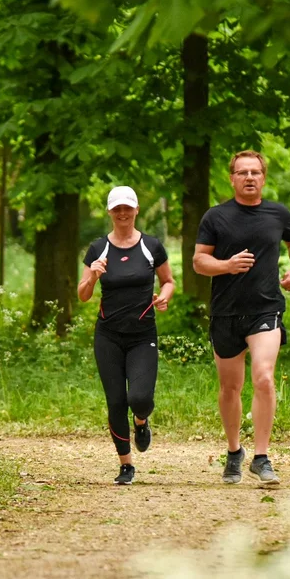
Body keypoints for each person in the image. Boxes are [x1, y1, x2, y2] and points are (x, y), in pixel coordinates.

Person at [193, 151, 290, 486]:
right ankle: (233, 453)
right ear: (231, 178)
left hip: (266, 308)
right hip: (226, 311)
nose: (249, 177)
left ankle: (261, 457)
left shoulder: (278, 213)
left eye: (255, 172)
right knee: (230, 387)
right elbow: (200, 262)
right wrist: (227, 266)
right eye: (242, 172)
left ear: (263, 177)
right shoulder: (216, 217)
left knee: (264, 378)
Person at [79, 186, 175, 485]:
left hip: (142, 333)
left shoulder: (151, 246)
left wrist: (164, 297)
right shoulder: (98, 249)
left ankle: (142, 421)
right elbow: (82, 295)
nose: (122, 213)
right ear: (110, 212)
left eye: (127, 208)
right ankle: (125, 465)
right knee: (116, 401)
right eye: (117, 208)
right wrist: (93, 275)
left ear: (136, 210)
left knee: (140, 398)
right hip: (108, 335)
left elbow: (169, 280)